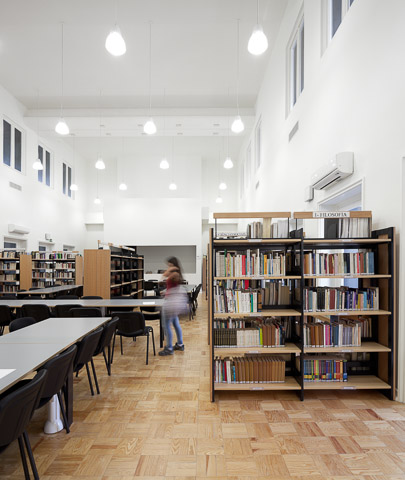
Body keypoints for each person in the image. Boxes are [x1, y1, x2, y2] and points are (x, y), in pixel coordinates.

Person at [158, 256, 185, 356]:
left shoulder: (174, 273)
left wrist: (169, 270)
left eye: (169, 265)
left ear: (173, 264)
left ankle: (169, 348)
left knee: (166, 326)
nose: (168, 266)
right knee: (175, 323)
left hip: (170, 303)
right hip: (172, 301)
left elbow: (162, 277)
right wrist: (166, 292)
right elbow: (172, 287)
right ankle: (180, 344)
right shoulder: (176, 273)